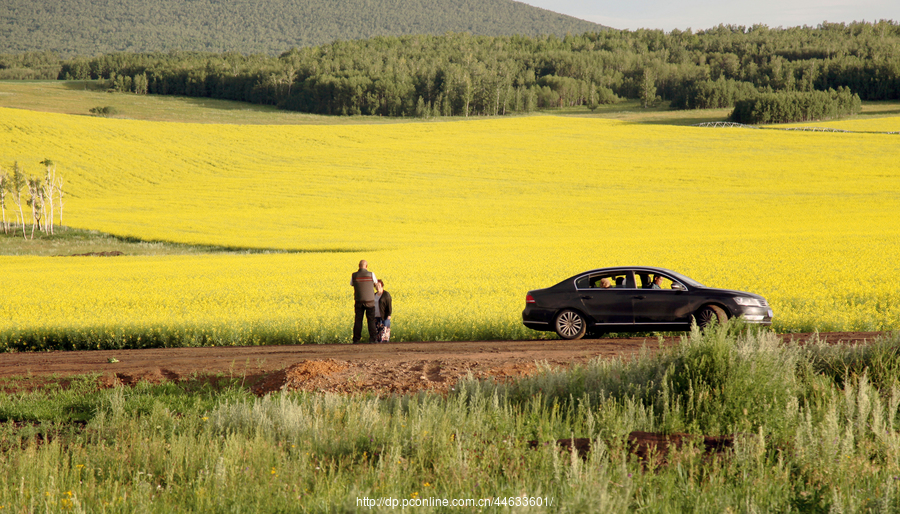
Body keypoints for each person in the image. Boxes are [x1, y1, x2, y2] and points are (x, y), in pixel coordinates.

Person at [351, 259, 378, 343]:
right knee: (371, 320)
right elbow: (376, 283)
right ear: (366, 266)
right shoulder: (371, 274)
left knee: (358, 320)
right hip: (370, 301)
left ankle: (356, 339)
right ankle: (373, 339)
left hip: (359, 301)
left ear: (359, 266)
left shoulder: (354, 275)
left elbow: (352, 284)